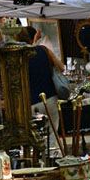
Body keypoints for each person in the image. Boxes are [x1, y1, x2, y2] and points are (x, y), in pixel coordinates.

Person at [15, 26, 65, 155]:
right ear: (32, 38)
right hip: (49, 98)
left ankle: (39, 166)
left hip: (30, 102)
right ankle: (55, 164)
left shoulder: (17, 57)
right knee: (52, 137)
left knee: (33, 140)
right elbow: (61, 67)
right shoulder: (44, 50)